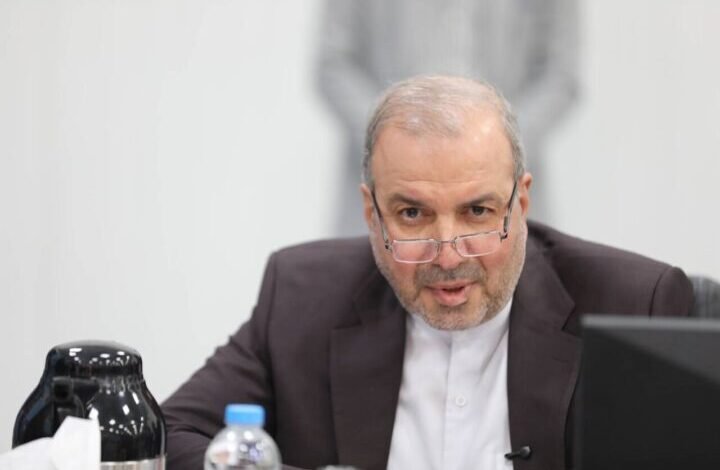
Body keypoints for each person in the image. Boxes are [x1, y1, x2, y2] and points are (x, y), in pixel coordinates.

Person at [162, 76, 692, 470]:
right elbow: (167, 437)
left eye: (478, 212)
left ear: (521, 203)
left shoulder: (632, 304)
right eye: (412, 214)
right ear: (372, 213)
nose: (447, 255)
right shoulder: (303, 295)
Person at [316, 0, 579, 235]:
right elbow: (334, 64)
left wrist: (497, 145)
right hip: (384, 199)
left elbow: (560, 75)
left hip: (503, 196)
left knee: (508, 269)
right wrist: (395, 141)